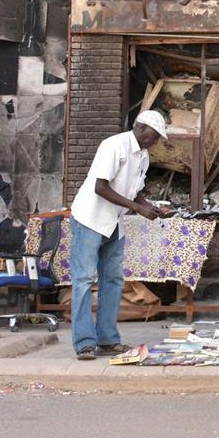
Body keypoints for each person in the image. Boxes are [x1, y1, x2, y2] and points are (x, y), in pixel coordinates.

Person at [69, 111, 171, 360]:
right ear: (140, 127)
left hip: (114, 222)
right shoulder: (114, 145)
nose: (155, 141)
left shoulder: (143, 156)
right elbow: (100, 187)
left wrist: (150, 206)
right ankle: (84, 342)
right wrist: (138, 208)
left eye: (157, 138)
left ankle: (107, 339)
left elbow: (134, 192)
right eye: (153, 136)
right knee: (83, 280)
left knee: (113, 280)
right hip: (90, 219)